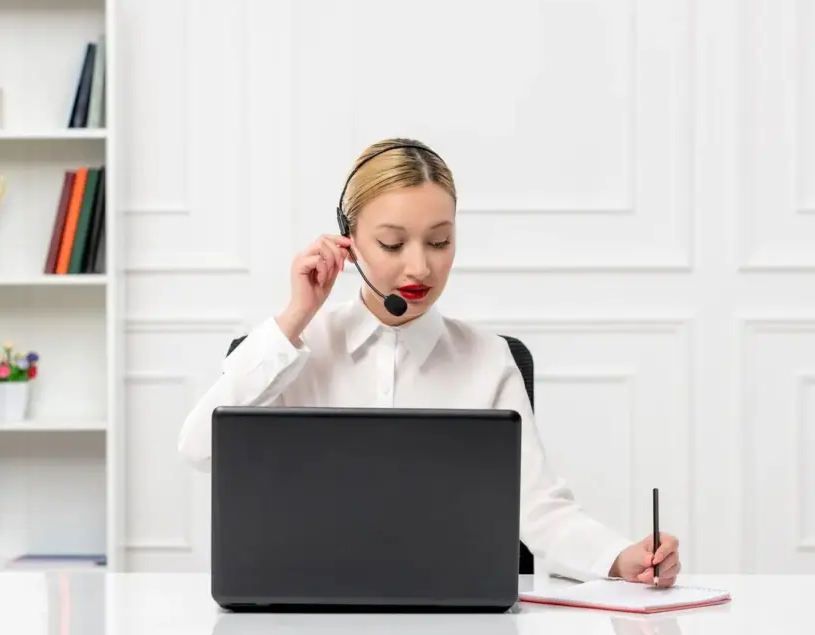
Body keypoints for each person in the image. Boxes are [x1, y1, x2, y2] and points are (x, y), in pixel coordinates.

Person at [177, 137, 681, 586]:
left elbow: (538, 508)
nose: (420, 267)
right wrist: (295, 317)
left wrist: (620, 558)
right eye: (392, 244)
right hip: (306, 603)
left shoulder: (488, 359)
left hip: (451, 610)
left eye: (440, 241)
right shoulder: (291, 348)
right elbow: (198, 449)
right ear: (348, 241)